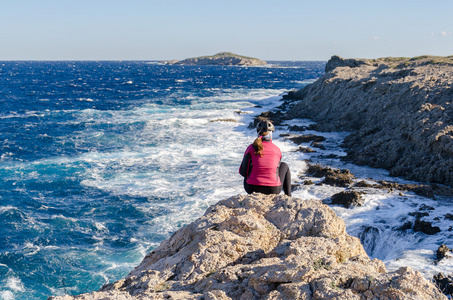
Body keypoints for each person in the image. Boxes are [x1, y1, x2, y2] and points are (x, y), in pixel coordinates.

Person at [239, 120, 291, 196]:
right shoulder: (277, 149)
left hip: (251, 188)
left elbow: (243, 172)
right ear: (271, 134)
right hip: (274, 189)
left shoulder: (251, 148)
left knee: (249, 168)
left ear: (258, 133)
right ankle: (288, 196)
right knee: (284, 165)